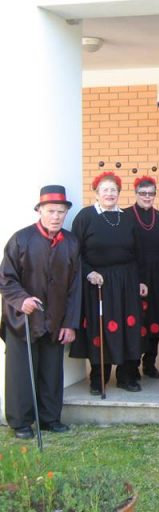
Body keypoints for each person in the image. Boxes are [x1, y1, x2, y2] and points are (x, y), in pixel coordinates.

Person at [0, 186, 80, 438]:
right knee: (21, 373)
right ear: (40, 211)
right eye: (50, 211)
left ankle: (49, 418)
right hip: (23, 319)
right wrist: (21, 299)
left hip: (55, 319)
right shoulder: (20, 239)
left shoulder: (71, 242)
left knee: (51, 372)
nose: (56, 216)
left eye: (60, 211)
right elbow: (6, 278)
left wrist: (70, 323)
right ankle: (21, 422)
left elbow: (75, 288)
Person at [70, 172, 146, 395]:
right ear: (96, 192)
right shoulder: (85, 217)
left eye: (114, 190)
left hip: (126, 280)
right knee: (101, 329)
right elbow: (75, 253)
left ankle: (126, 375)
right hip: (98, 282)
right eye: (105, 189)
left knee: (128, 327)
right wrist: (89, 273)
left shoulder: (127, 217)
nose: (110, 194)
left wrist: (141, 280)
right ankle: (98, 377)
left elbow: (137, 253)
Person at [125, 175, 159, 379]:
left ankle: (149, 363)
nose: (147, 197)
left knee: (156, 320)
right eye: (143, 193)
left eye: (151, 193)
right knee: (136, 321)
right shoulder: (125, 216)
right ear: (136, 194)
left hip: (158, 275)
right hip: (135, 273)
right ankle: (131, 366)